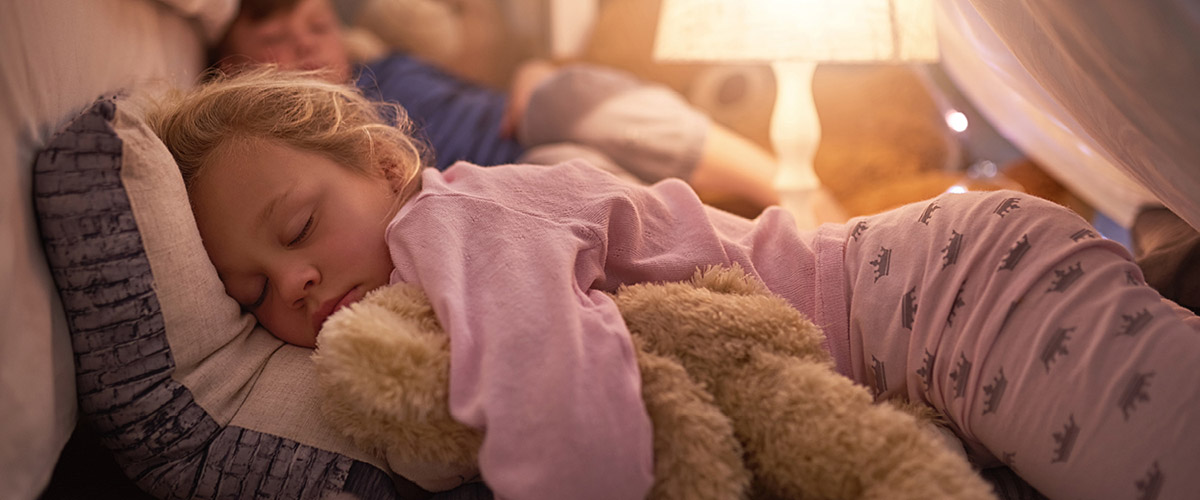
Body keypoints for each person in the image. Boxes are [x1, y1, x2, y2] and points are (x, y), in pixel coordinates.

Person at [149, 68, 1200, 500]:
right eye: (248, 294)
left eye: (298, 228)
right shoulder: (425, 254)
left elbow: (576, 425)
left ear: (384, 166)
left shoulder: (459, 219)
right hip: (926, 287)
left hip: (945, 295)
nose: (292, 284)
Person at [211, 0, 782, 217]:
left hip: (529, 116)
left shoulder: (392, 66)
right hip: (511, 183)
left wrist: (532, 72)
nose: (307, 44)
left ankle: (784, 189)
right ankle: (725, 252)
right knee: (567, 168)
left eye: (317, 27)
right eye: (278, 40)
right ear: (235, 71)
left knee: (564, 97)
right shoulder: (304, 141)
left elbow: (490, 78)